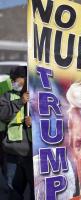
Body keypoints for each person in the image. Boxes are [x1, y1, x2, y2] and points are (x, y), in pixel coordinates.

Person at [0, 66, 34, 199]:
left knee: (35, 191)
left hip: (33, 154)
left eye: (16, 79)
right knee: (13, 191)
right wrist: (20, 102)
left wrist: (35, 122)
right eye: (12, 80)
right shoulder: (7, 96)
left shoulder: (39, 95)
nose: (14, 82)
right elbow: (2, 115)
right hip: (12, 154)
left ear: (26, 79)